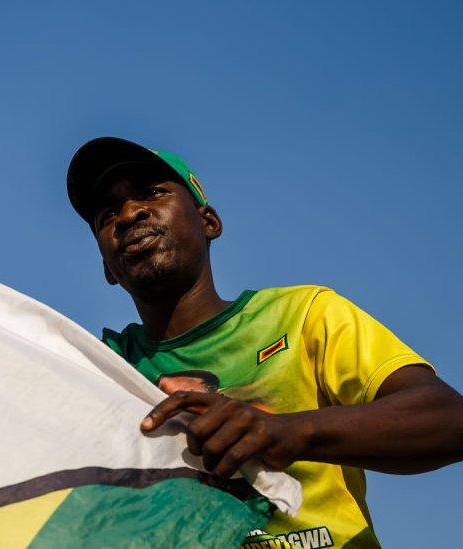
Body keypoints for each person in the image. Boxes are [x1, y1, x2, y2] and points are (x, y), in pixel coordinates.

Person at [66, 137, 463, 548]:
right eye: (107, 215)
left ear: (209, 222)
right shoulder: (100, 368)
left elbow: (449, 420)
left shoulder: (305, 314)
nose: (129, 214)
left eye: (152, 193)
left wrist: (290, 432)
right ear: (106, 268)